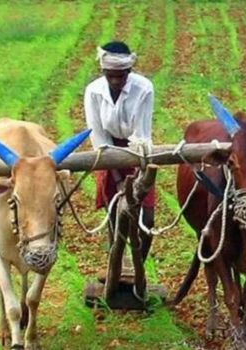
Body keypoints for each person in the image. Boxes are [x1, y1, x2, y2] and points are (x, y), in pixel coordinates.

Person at [84, 41, 155, 261]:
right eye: (110, 75)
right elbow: (99, 136)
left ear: (129, 71)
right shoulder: (94, 91)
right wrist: (117, 179)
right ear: (103, 71)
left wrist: (138, 179)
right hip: (108, 153)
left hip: (138, 152)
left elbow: (141, 134)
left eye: (121, 76)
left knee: (147, 217)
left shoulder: (144, 88)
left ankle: (138, 266)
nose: (115, 81)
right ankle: (116, 262)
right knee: (115, 213)